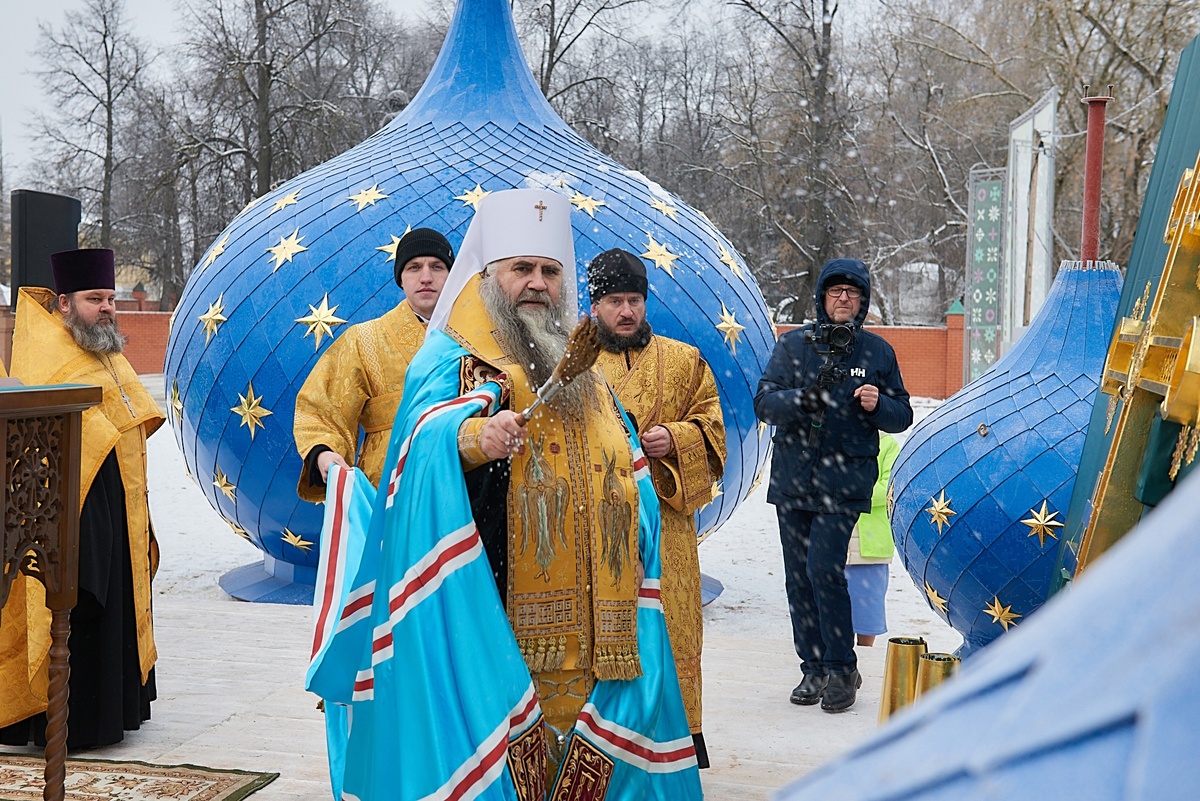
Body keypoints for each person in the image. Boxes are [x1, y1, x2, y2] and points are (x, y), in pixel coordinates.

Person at [308, 189, 701, 800]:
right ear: (490, 275)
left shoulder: (584, 368)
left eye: (549, 270)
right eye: (522, 269)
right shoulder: (454, 354)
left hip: (604, 625)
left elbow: (625, 460)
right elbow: (420, 443)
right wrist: (473, 438)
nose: (537, 283)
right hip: (498, 610)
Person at [0, 248, 165, 749]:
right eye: (95, 299)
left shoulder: (103, 349)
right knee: (79, 594)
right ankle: (73, 719)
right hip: (67, 504)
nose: (108, 308)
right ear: (65, 304)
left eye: (111, 298)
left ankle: (114, 711)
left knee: (115, 591)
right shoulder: (47, 350)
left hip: (115, 495)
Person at [754, 257, 912, 713]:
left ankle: (843, 668)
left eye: (852, 293)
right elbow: (764, 402)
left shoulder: (877, 352)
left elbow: (902, 415)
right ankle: (813, 667)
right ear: (822, 299)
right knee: (798, 577)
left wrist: (879, 403)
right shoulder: (793, 346)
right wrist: (803, 398)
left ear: (862, 302)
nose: (843, 298)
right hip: (793, 479)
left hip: (844, 482)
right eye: (835, 291)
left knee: (824, 568)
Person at [588, 248, 726, 767]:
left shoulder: (684, 360)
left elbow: (713, 426)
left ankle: (681, 735)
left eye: (635, 300)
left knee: (673, 625)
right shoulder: (572, 362)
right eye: (616, 301)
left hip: (667, 527)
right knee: (609, 627)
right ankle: (607, 737)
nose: (627, 312)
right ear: (595, 304)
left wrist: (678, 437)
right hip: (600, 525)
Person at [294, 227, 453, 498]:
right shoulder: (362, 340)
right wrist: (323, 453)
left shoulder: (477, 338)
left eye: (437, 266)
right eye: (414, 267)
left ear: (452, 276)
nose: (426, 277)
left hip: (463, 483)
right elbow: (321, 408)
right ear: (401, 278)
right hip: (387, 488)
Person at [845, 431, 900, 648]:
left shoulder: (888, 444)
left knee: (868, 605)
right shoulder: (839, 437)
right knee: (838, 606)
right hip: (838, 535)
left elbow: (889, 486)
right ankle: (841, 653)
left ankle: (866, 651)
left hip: (871, 544)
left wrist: (852, 491)